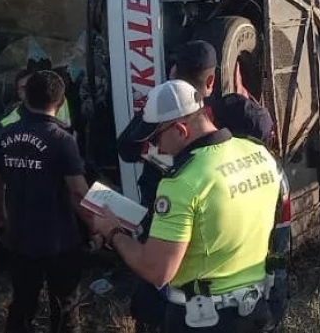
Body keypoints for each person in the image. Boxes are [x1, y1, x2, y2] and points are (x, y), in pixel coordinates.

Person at [94, 80, 283, 332]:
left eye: (157, 138)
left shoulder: (182, 183)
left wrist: (114, 232)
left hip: (203, 321)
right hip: (258, 312)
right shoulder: (258, 154)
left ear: (181, 130)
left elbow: (158, 270)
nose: (157, 148)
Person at [0, 70, 93, 333]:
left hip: (19, 237)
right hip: (59, 241)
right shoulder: (62, 140)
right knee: (65, 307)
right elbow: (78, 192)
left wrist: (1, 219)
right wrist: (96, 227)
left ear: (25, 96)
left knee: (22, 304)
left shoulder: (5, 136)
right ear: (59, 101)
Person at [0, 65, 72, 129]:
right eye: (24, 87)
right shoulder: (10, 120)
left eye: (33, 85)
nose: (29, 89)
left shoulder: (58, 102)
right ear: (19, 93)